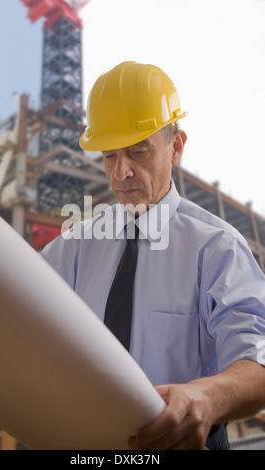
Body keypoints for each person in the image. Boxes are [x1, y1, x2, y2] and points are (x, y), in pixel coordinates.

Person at [41, 61, 265, 450]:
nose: (120, 173)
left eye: (138, 151)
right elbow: (11, 296)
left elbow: (258, 360)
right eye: (109, 156)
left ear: (175, 147)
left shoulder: (217, 248)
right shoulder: (77, 245)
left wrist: (208, 397)